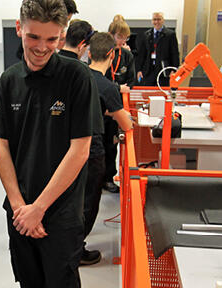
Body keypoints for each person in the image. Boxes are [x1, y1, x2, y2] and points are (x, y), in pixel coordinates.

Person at [0, 0, 102, 288]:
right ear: (19, 29)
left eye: (52, 39)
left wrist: (39, 208)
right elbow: (1, 145)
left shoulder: (77, 77)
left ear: (62, 37)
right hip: (19, 212)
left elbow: (80, 150)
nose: (42, 47)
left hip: (59, 214)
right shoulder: (9, 80)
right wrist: (19, 207)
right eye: (34, 37)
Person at [82, 32, 134, 266]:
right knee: (89, 202)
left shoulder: (77, 76)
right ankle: (75, 251)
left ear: (89, 53)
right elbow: (127, 124)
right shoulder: (107, 87)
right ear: (112, 55)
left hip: (69, 148)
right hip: (93, 151)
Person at [101, 19, 136, 194]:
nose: (123, 41)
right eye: (120, 37)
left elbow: (131, 81)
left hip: (117, 106)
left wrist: (120, 89)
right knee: (97, 144)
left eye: (125, 38)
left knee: (112, 144)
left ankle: (108, 178)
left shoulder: (127, 56)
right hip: (101, 106)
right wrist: (115, 87)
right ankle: (96, 179)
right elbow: (98, 79)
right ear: (111, 35)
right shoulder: (102, 53)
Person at [135, 12, 180, 87]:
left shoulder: (170, 35)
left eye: (159, 19)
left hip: (164, 71)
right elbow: (141, 54)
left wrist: (174, 69)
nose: (156, 22)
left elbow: (174, 53)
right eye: (154, 19)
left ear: (163, 20)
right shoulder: (146, 35)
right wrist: (139, 70)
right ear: (152, 21)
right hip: (149, 70)